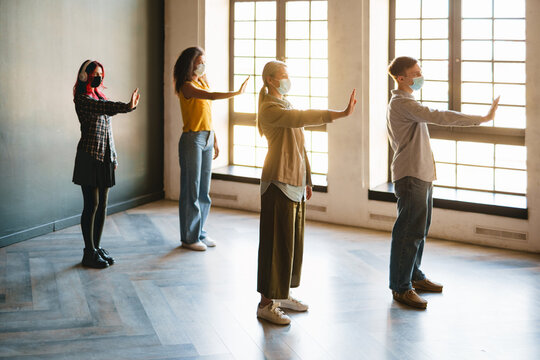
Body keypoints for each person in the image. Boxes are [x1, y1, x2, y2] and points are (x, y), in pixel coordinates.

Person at [386, 56, 500, 309]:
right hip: (411, 175)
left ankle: (414, 276)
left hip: (421, 174)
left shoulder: (408, 102)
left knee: (420, 230)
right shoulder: (402, 103)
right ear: (401, 78)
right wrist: (480, 118)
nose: (420, 75)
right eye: (415, 73)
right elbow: (438, 115)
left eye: (420, 71)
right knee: (408, 233)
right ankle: (401, 288)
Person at [256, 60, 357, 325]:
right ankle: (266, 303)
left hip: (295, 182)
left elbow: (300, 145)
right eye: (283, 76)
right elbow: (301, 118)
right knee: (275, 245)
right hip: (277, 181)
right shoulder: (270, 107)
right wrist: (340, 113)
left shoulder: (285, 104)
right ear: (269, 80)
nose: (287, 79)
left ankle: (283, 294)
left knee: (291, 245)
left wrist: (308, 179)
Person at [173, 47, 249, 251]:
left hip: (206, 136)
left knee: (203, 190)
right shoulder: (186, 86)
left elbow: (207, 113)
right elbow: (212, 97)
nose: (202, 65)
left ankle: (199, 232)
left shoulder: (200, 82)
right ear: (190, 64)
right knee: (191, 188)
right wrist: (237, 93)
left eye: (204, 61)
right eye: (199, 62)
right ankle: (188, 238)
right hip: (192, 139)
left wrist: (214, 139)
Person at [72, 60, 140, 268]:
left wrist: (114, 156)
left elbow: (108, 131)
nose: (98, 77)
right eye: (94, 73)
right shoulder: (83, 100)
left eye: (101, 73)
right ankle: (88, 252)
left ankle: (96, 248)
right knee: (90, 205)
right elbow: (104, 108)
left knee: (102, 205)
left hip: (106, 157)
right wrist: (127, 107)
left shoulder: (101, 96)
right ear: (85, 76)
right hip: (89, 156)